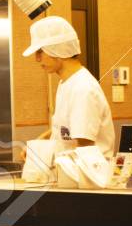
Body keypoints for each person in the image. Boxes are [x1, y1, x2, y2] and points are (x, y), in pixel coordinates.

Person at [24, 16, 115, 161]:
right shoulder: (66, 83)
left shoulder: (82, 88)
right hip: (71, 175)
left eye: (40, 52)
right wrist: (40, 142)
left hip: (89, 176)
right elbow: (65, 128)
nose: (37, 59)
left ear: (56, 50)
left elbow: (85, 146)